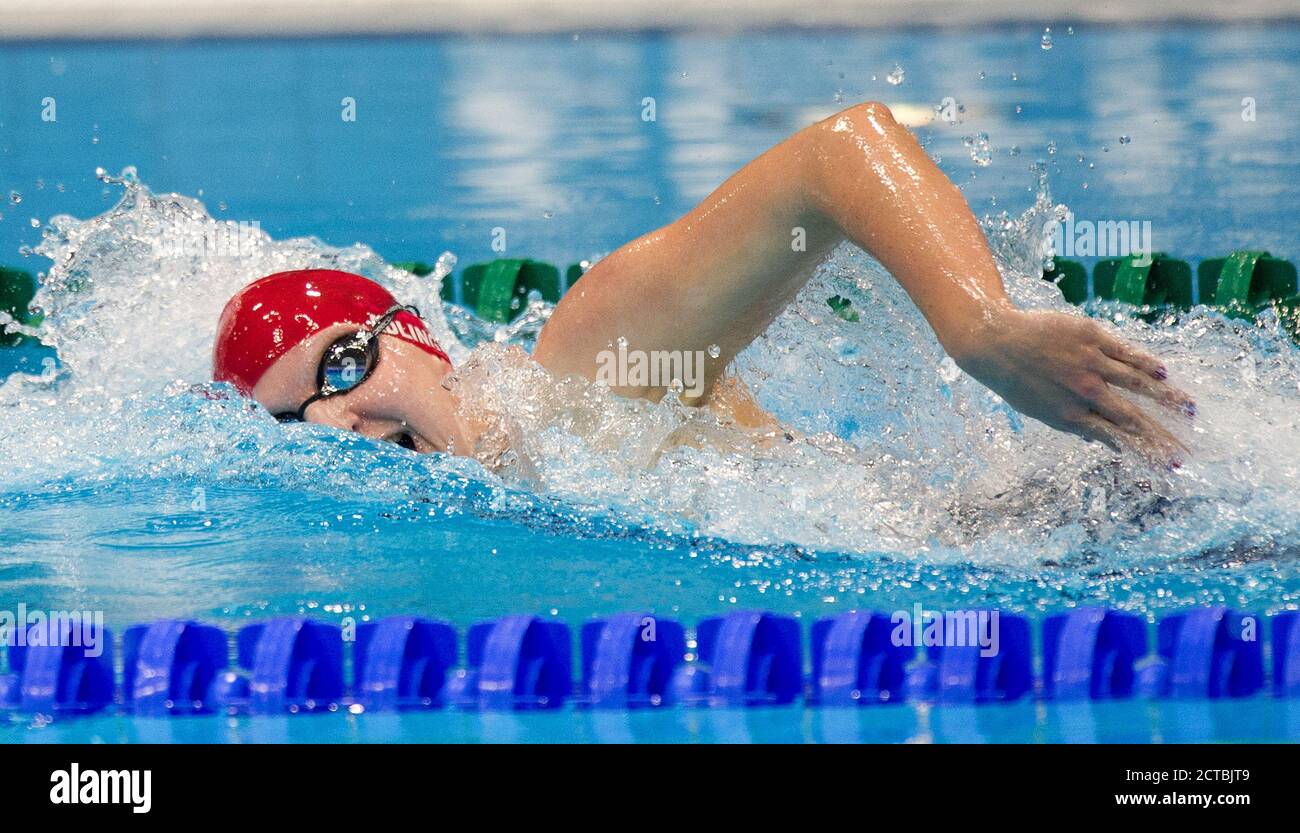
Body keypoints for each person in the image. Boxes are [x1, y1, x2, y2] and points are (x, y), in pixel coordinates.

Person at [212, 102, 1193, 467]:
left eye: (341, 367)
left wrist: (980, 328)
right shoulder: (518, 474)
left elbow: (836, 154)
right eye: (293, 421)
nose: (335, 425)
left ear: (415, 336)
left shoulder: (577, 371)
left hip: (1102, 514)